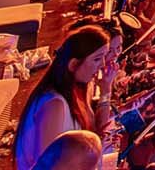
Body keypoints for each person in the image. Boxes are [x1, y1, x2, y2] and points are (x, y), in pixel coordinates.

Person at [16, 27, 115, 170]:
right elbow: (48, 166)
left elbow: (96, 130)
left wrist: (106, 90)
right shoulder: (54, 106)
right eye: (97, 59)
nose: (103, 65)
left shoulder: (79, 90)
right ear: (73, 64)